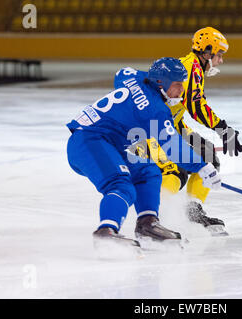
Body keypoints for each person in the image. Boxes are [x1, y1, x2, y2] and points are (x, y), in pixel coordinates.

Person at [66, 57, 221, 247]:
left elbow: (122, 72)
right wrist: (203, 167)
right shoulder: (155, 110)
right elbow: (172, 148)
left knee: (148, 172)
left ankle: (147, 224)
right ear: (160, 83)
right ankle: (106, 231)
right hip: (90, 141)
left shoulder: (132, 78)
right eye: (177, 84)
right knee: (121, 185)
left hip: (107, 140)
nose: (181, 90)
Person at [130, 27, 242, 235]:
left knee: (207, 155)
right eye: (219, 55)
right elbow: (196, 106)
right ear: (207, 52)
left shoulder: (194, 68)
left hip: (170, 125)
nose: (221, 61)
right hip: (151, 129)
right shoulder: (191, 68)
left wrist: (199, 136)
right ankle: (151, 216)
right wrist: (224, 129)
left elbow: (180, 110)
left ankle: (193, 210)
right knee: (175, 172)